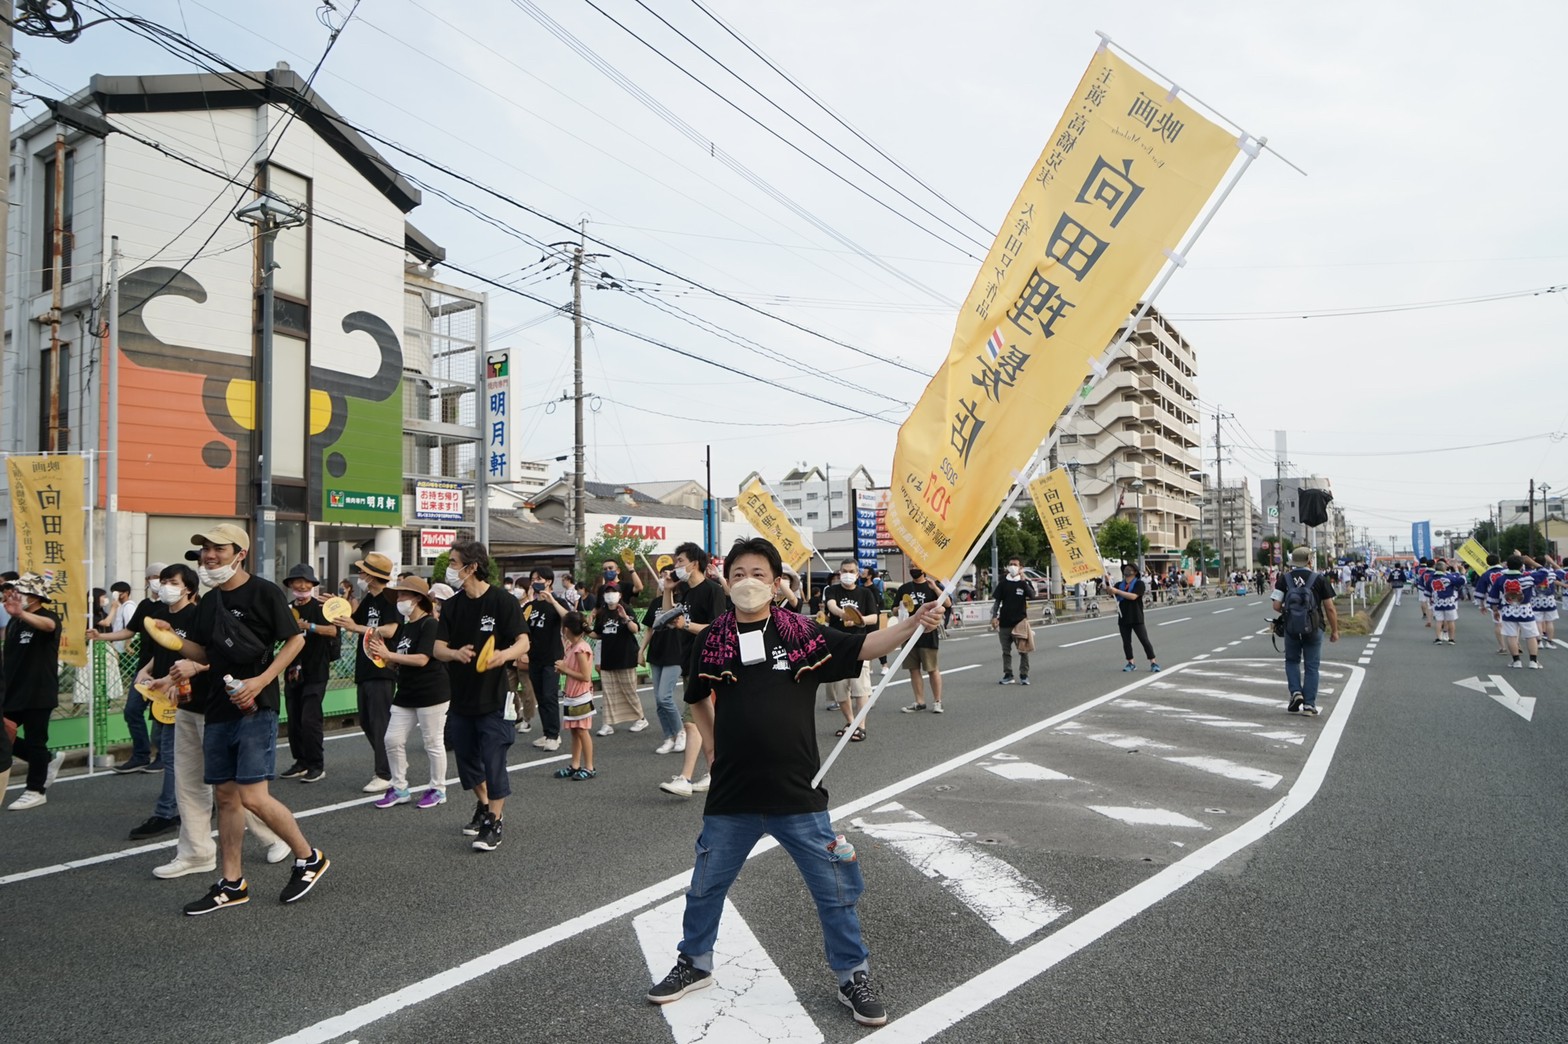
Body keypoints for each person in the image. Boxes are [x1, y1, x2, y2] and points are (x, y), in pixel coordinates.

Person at [646, 537, 945, 1027]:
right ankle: (694, 963)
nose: (747, 582)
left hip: (798, 793)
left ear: (775, 582)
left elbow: (863, 645)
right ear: (726, 581)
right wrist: (713, 749)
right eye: (738, 573)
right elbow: (696, 696)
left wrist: (914, 622)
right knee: (704, 888)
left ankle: (852, 975)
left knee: (834, 891)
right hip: (732, 795)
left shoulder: (801, 632)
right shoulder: (710, 638)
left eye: (758, 574)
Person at [161, 524, 328, 913]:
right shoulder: (210, 601)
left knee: (253, 796)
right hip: (218, 707)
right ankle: (232, 882)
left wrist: (262, 680)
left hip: (256, 706)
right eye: (205, 549)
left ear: (240, 553)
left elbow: (295, 639)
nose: (209, 555)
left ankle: (309, 857)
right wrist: (172, 639)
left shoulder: (264, 592)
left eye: (218, 548)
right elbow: (205, 653)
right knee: (226, 797)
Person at [435, 539, 528, 852]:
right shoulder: (452, 606)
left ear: (472, 567)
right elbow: (437, 648)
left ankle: (494, 822)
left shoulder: (502, 601)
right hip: (461, 697)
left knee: (493, 758)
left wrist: (503, 655)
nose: (450, 568)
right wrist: (454, 653)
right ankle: (485, 804)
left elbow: (523, 642)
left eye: (453, 562)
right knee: (466, 760)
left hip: (494, 697)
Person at [368, 575, 450, 809]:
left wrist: (389, 655)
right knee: (391, 739)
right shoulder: (406, 627)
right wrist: (384, 658)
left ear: (417, 599)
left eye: (403, 595)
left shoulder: (430, 624)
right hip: (406, 691)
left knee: (432, 742)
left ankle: (438, 788)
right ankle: (399, 787)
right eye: (398, 595)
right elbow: (401, 660)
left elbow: (422, 659)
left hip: (432, 692)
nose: (399, 600)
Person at [87, 563, 168, 772]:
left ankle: (163, 756)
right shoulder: (145, 605)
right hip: (143, 669)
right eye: (153, 577)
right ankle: (141, 755)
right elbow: (129, 631)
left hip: (167, 669)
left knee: (162, 715)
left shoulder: (174, 606)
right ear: (147, 581)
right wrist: (100, 636)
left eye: (162, 577)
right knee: (132, 711)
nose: (158, 581)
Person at [330, 553, 399, 793]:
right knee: (367, 721)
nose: (359, 575)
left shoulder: (391, 598)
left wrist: (357, 627)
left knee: (380, 723)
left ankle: (385, 773)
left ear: (372, 575)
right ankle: (391, 764)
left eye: (362, 571)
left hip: (382, 667)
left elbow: (390, 630)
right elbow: (351, 621)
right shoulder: (369, 598)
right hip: (365, 668)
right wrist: (334, 606)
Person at [661, 542, 727, 766]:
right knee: (702, 723)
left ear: (695, 563)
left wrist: (686, 625)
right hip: (688, 660)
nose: (676, 566)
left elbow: (717, 629)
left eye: (680, 561)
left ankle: (689, 776)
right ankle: (712, 772)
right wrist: (668, 590)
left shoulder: (713, 590)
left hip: (708, 663)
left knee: (693, 722)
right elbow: (669, 617)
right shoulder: (686, 592)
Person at [4, 573, 64, 810]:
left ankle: (36, 790)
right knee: (3, 734)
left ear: (35, 596)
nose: (15, 595)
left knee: (35, 740)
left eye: (21, 591)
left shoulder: (47, 617)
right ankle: (46, 761)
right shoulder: (14, 621)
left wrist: (21, 613)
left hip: (38, 690)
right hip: (13, 690)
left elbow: (49, 627)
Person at [280, 565, 337, 784]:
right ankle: (300, 761)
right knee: (294, 718)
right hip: (292, 670)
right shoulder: (286, 608)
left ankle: (316, 765)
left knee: (310, 719)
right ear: (290, 585)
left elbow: (332, 630)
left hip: (316, 669)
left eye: (306, 582)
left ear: (313, 585)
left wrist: (308, 626)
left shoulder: (321, 607)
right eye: (297, 581)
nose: (302, 585)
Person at [1271, 547, 1340, 715]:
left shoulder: (1284, 578)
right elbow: (1330, 608)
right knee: (1312, 666)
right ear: (1309, 561)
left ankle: (1296, 692)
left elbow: (1276, 606)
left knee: (1292, 661)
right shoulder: (1319, 579)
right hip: (1314, 627)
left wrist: (1291, 613)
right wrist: (1335, 630)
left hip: (1291, 627)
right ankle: (1309, 705)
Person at [824, 559, 880, 740]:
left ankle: (860, 726)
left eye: (851, 571)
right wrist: (844, 613)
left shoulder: (865, 593)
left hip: (859, 644)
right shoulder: (832, 590)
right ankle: (850, 722)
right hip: (837, 643)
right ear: (839, 573)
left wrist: (858, 619)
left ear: (857, 574)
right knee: (840, 689)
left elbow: (874, 617)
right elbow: (831, 606)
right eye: (844, 571)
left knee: (860, 688)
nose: (847, 574)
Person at [591, 585, 646, 736]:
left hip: (625, 656)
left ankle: (641, 718)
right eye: (607, 592)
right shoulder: (602, 613)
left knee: (628, 690)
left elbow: (635, 629)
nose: (610, 595)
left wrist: (625, 618)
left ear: (620, 594)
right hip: (608, 657)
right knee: (609, 692)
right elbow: (598, 633)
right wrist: (584, 628)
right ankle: (607, 723)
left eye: (613, 592)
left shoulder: (626, 609)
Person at [522, 567, 566, 751]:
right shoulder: (530, 606)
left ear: (548, 581)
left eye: (538, 578)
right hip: (535, 657)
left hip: (552, 657)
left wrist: (553, 601)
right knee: (540, 696)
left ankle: (554, 735)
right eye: (532, 579)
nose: (535, 582)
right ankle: (547, 733)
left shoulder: (558, 602)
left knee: (549, 696)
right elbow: (521, 628)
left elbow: (570, 618)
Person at [642, 569, 685, 755]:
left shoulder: (682, 601)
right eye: (661, 576)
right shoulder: (655, 603)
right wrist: (641, 650)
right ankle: (668, 737)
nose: (663, 579)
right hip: (656, 654)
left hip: (675, 653)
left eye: (667, 575)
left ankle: (681, 732)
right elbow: (649, 629)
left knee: (664, 697)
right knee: (659, 701)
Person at [895, 566, 948, 713]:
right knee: (913, 669)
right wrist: (901, 607)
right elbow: (894, 609)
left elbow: (948, 603)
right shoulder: (904, 588)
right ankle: (919, 701)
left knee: (932, 668)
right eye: (911, 566)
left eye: (916, 566)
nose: (913, 569)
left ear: (923, 569)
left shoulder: (932, 586)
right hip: (909, 633)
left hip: (928, 632)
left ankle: (937, 701)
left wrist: (935, 588)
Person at [553, 610, 597, 780]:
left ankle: (589, 767)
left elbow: (585, 676)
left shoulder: (580, 648)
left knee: (582, 731)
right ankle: (575, 764)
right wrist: (564, 669)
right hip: (572, 694)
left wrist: (565, 669)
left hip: (580, 694)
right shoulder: (572, 646)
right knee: (574, 731)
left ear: (566, 629)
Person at [1489, 554, 1541, 669]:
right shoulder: (1527, 578)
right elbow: (1544, 572)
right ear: (1521, 566)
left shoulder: (1501, 579)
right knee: (1531, 635)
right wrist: (1532, 562)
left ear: (1507, 565)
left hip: (1508, 609)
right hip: (1525, 609)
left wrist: (1495, 610)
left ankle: (1516, 661)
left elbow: (1493, 596)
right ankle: (1533, 661)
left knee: (1511, 635)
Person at [1109, 562, 1161, 672]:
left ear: (1135, 572)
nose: (1127, 570)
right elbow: (1111, 593)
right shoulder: (1119, 584)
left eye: (1130, 569)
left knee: (1144, 640)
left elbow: (1133, 596)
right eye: (1125, 569)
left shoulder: (1139, 584)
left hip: (1136, 616)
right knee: (1126, 642)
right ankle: (1130, 662)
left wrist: (1117, 591)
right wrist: (1107, 583)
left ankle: (1153, 662)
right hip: (1123, 616)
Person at [990, 556, 1033, 685]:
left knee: (1023, 650)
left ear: (1021, 568)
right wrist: (994, 616)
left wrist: (1024, 581)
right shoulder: (1003, 582)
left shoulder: (1023, 583)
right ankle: (1008, 674)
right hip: (1004, 622)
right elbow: (997, 601)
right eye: (1010, 564)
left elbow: (1032, 595)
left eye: (1015, 564)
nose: (1012, 567)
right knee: (1006, 651)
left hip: (1019, 622)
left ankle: (1024, 675)